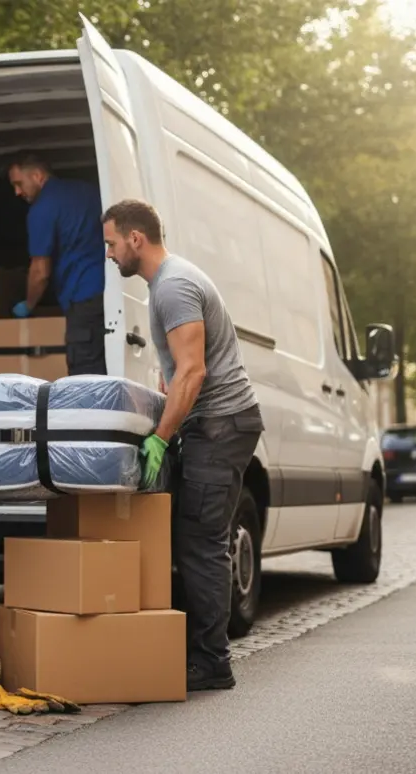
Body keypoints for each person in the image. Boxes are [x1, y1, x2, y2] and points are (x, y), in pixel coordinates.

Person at [100, 199, 264, 693]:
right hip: (217, 424)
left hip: (221, 425)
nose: (108, 255)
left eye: (111, 243)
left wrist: (160, 438)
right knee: (197, 539)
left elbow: (194, 372)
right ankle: (200, 651)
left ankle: (212, 662)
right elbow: (180, 374)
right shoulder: (169, 284)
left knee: (202, 542)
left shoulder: (171, 287)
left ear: (135, 239)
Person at [6, 152, 108, 376]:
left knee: (85, 376)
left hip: (83, 298)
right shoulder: (89, 191)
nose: (17, 192)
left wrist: (29, 305)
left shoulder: (41, 210)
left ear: (37, 176)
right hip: (112, 295)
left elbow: (40, 272)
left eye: (19, 183)